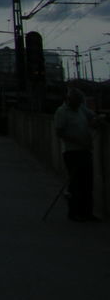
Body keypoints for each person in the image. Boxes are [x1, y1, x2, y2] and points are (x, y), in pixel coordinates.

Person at [53, 87, 99, 222]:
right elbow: (59, 133)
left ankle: (87, 213)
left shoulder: (81, 109)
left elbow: (92, 116)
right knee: (76, 183)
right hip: (72, 152)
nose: (79, 104)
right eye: (77, 101)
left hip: (85, 151)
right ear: (69, 100)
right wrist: (79, 142)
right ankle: (74, 213)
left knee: (87, 183)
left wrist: (96, 120)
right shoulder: (61, 112)